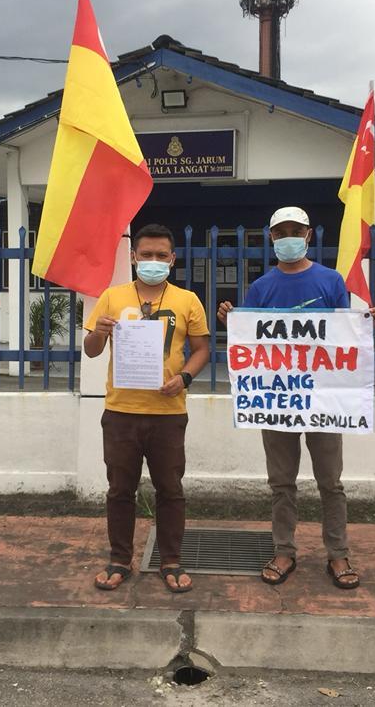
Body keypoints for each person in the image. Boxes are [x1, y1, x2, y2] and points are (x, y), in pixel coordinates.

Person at [218, 206, 375, 590]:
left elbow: (343, 335)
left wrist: (365, 324)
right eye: (280, 232)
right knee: (281, 482)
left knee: (331, 483)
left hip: (325, 402)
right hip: (279, 402)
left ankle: (338, 554)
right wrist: (235, 322)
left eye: (295, 230)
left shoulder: (330, 281)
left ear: (308, 235)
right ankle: (283, 550)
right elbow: (253, 343)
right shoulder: (261, 287)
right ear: (271, 238)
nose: (287, 237)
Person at [84, 223, 210, 594]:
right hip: (121, 411)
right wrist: (99, 333)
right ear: (133, 257)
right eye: (146, 255)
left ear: (172, 259)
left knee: (170, 489)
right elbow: (91, 350)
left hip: (168, 413)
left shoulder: (188, 300)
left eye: (161, 256)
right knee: (119, 489)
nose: (153, 261)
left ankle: (170, 560)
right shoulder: (112, 297)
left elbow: (202, 349)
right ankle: (120, 559)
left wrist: (184, 379)